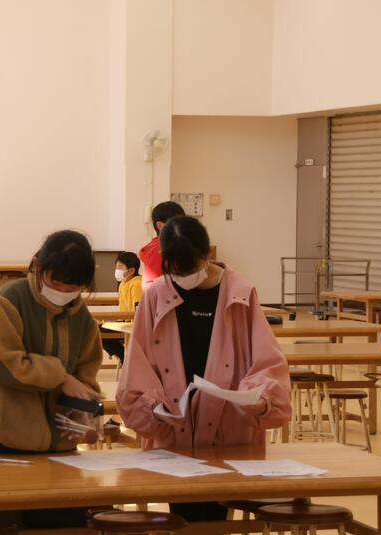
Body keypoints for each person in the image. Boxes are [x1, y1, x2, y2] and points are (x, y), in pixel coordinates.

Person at [116, 216, 291, 523]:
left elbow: (267, 360)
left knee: (217, 516)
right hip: (173, 432)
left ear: (206, 254)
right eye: (176, 271)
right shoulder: (156, 295)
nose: (183, 277)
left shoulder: (240, 293)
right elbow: (138, 367)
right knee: (183, 516)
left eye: (190, 268)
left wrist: (258, 395)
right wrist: (151, 406)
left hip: (229, 430)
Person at [0, 230, 102, 529]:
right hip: (2, 437)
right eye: (56, 283)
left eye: (73, 287)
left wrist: (82, 410)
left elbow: (86, 371)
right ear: (37, 266)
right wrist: (60, 377)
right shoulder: (10, 299)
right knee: (2, 524)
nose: (63, 292)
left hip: (58, 445)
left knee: (62, 525)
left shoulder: (82, 316)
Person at [102, 252, 143, 362]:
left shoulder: (137, 284)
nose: (117, 270)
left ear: (131, 270)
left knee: (100, 332)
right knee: (97, 330)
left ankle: (126, 360)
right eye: (116, 267)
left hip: (133, 325)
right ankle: (125, 359)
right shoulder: (123, 284)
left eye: (120, 267)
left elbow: (138, 309)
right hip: (124, 322)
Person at [139, 201, 185, 285]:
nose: (181, 226)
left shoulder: (177, 244)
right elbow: (150, 286)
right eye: (176, 223)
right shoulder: (158, 249)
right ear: (160, 226)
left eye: (183, 222)